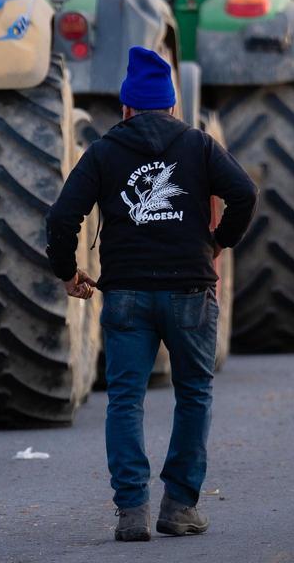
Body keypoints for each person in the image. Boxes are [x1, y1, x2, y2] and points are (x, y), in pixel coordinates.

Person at [45, 47, 258, 542]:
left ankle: (132, 512)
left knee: (125, 400)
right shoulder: (199, 145)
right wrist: (218, 242)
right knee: (194, 393)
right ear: (172, 106)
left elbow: (61, 218)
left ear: (126, 108)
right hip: (190, 291)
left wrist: (67, 271)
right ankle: (179, 506)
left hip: (126, 298)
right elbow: (245, 193)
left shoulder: (103, 151)